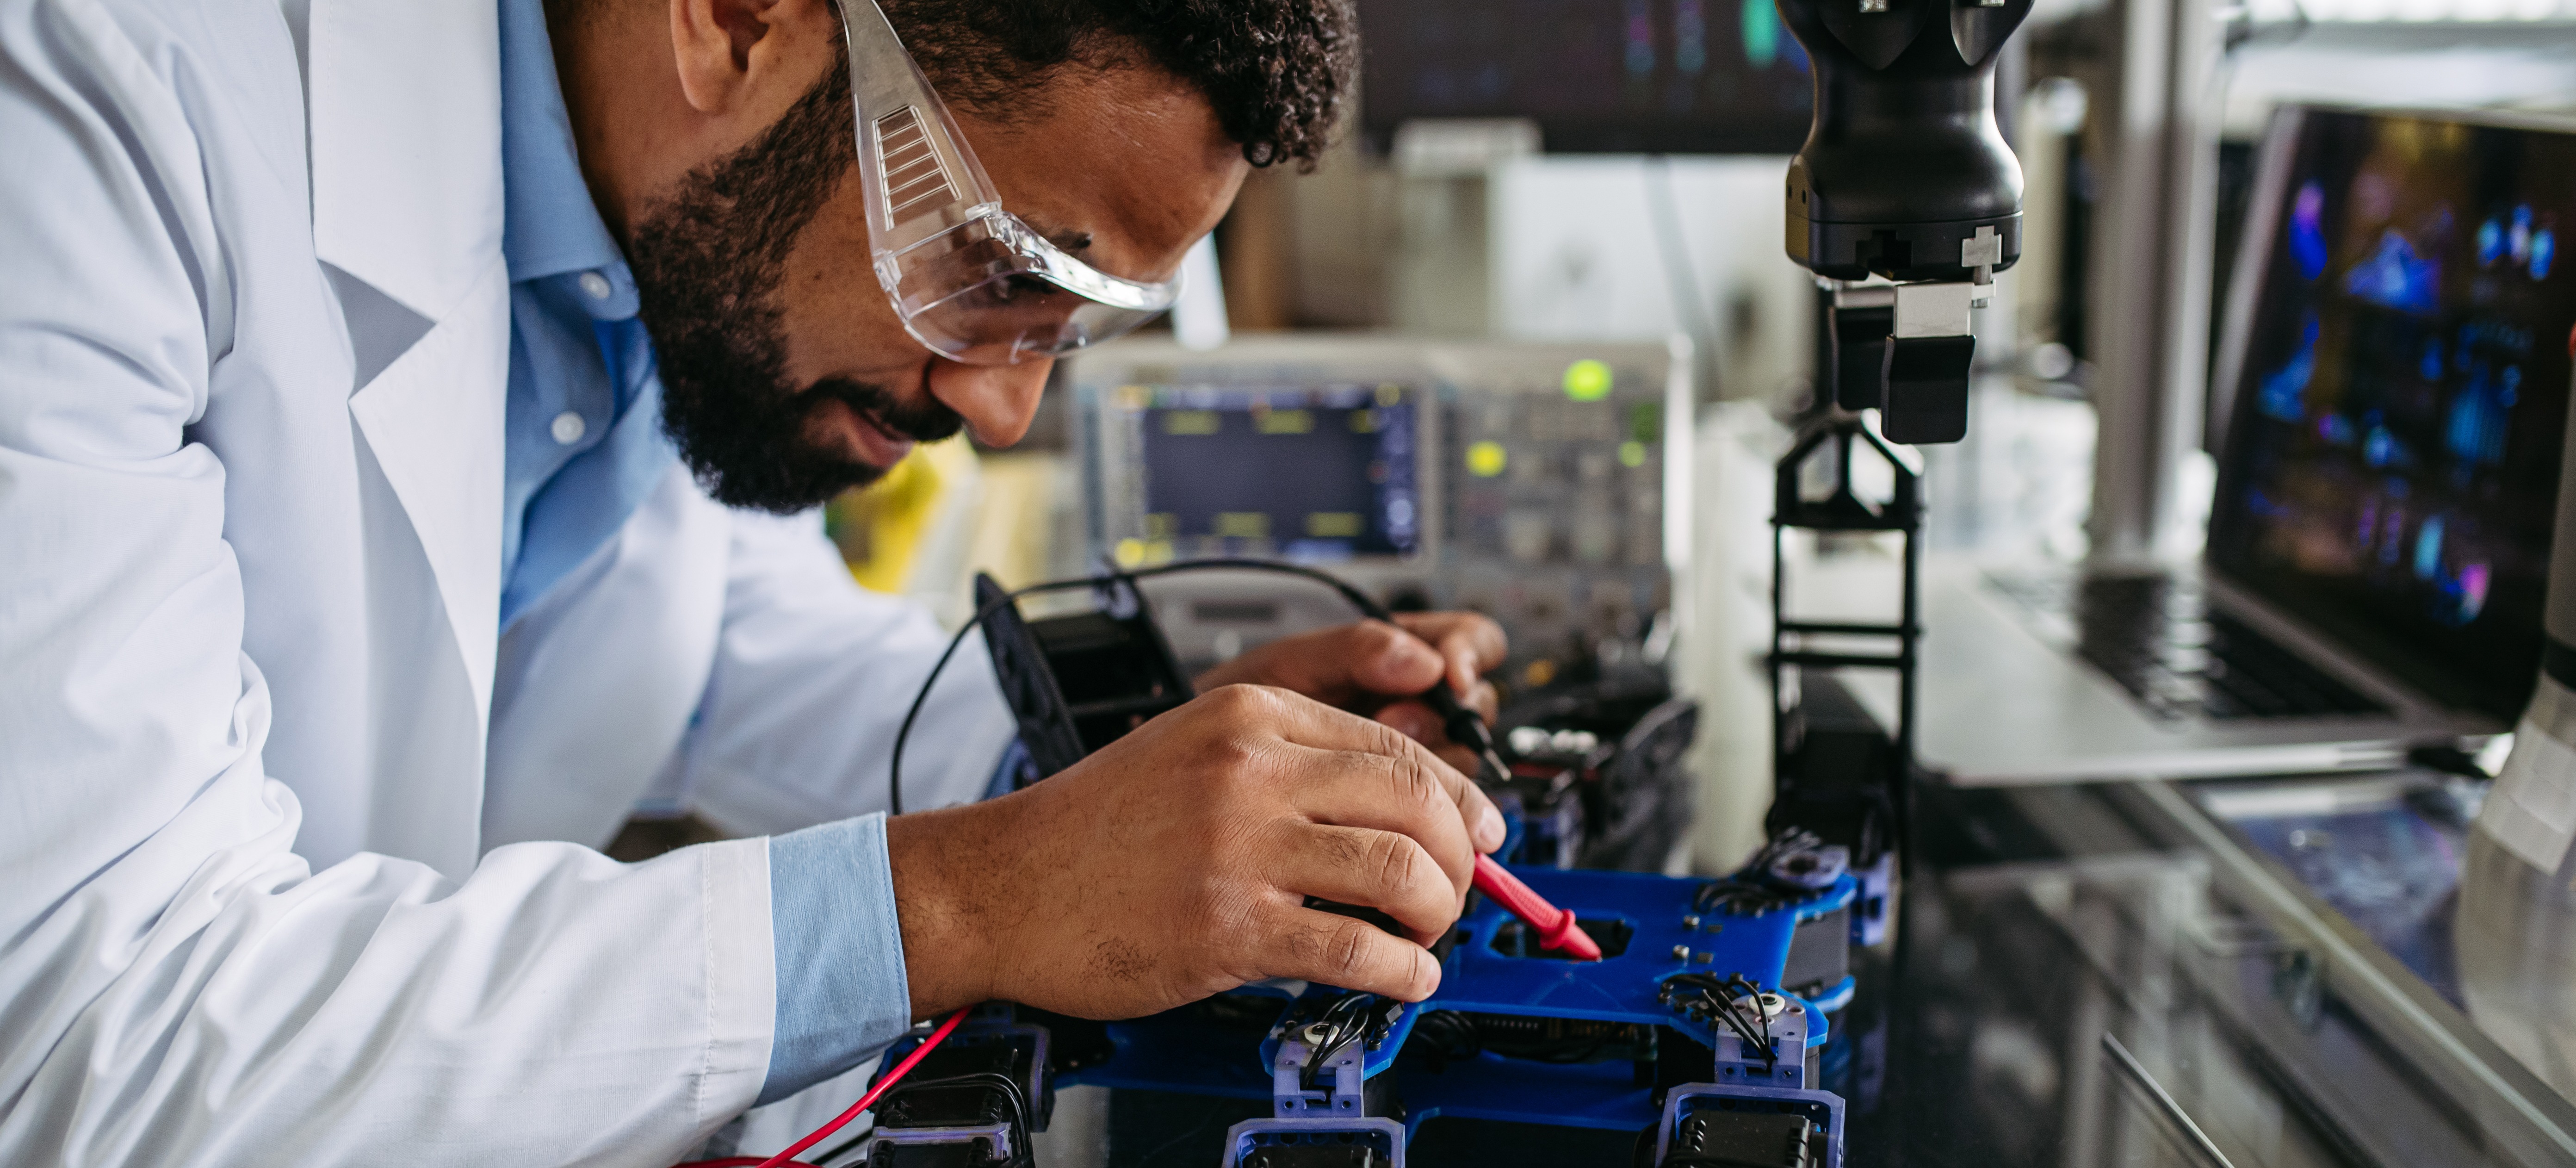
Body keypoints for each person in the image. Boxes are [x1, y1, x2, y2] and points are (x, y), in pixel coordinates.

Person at [0, 0, 1511, 1162]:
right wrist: (970, 896)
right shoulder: (91, 111)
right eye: (997, 274)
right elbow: (92, 1042)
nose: (1002, 410)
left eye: (1070, 328)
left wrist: (1135, 768)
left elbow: (725, 644)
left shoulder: (666, 232)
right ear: (735, 23)